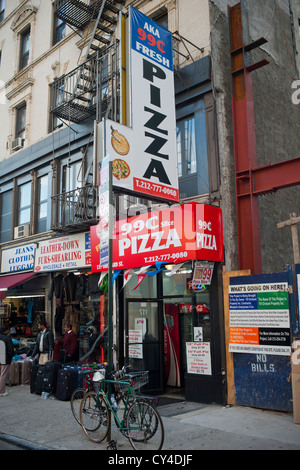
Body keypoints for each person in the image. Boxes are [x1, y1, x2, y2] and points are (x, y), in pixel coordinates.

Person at [0, 324, 15, 397]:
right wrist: (10, 356)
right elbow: (11, 350)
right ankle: (1, 391)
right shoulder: (7, 338)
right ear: (6, 330)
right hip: (5, 359)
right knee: (3, 375)